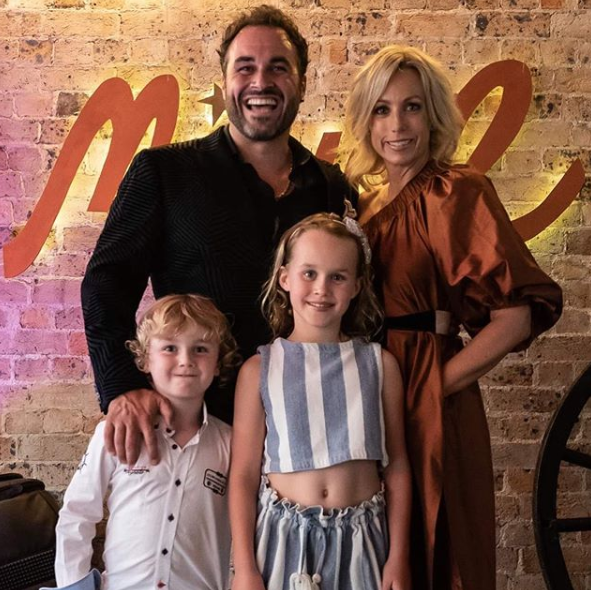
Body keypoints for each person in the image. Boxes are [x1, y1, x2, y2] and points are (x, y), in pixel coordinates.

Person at [81, 5, 356, 466]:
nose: (260, 82)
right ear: (225, 79)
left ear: (302, 83)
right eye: (245, 67)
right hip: (197, 430)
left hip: (306, 434)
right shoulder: (164, 171)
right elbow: (106, 283)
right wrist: (121, 386)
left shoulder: (332, 186)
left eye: (278, 68)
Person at [339, 45, 563, 590]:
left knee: (440, 553)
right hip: (368, 389)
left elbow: (514, 317)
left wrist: (435, 387)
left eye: (412, 107)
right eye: (382, 109)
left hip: (429, 393)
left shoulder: (454, 191)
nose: (397, 125)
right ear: (365, 119)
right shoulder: (360, 205)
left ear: (433, 114)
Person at [229, 213, 412, 590]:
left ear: (357, 286)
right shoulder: (259, 369)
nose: (322, 289)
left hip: (363, 541)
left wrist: (399, 557)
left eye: (338, 277)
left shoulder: (379, 365)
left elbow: (397, 469)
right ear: (285, 278)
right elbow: (244, 476)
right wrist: (244, 567)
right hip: (281, 542)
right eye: (309, 273)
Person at [53, 294, 239, 590]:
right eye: (169, 348)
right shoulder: (112, 433)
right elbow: (77, 514)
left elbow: (243, 532)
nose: (185, 360)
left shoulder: (231, 445)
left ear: (218, 363)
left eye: (201, 349)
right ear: (144, 359)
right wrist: (73, 585)